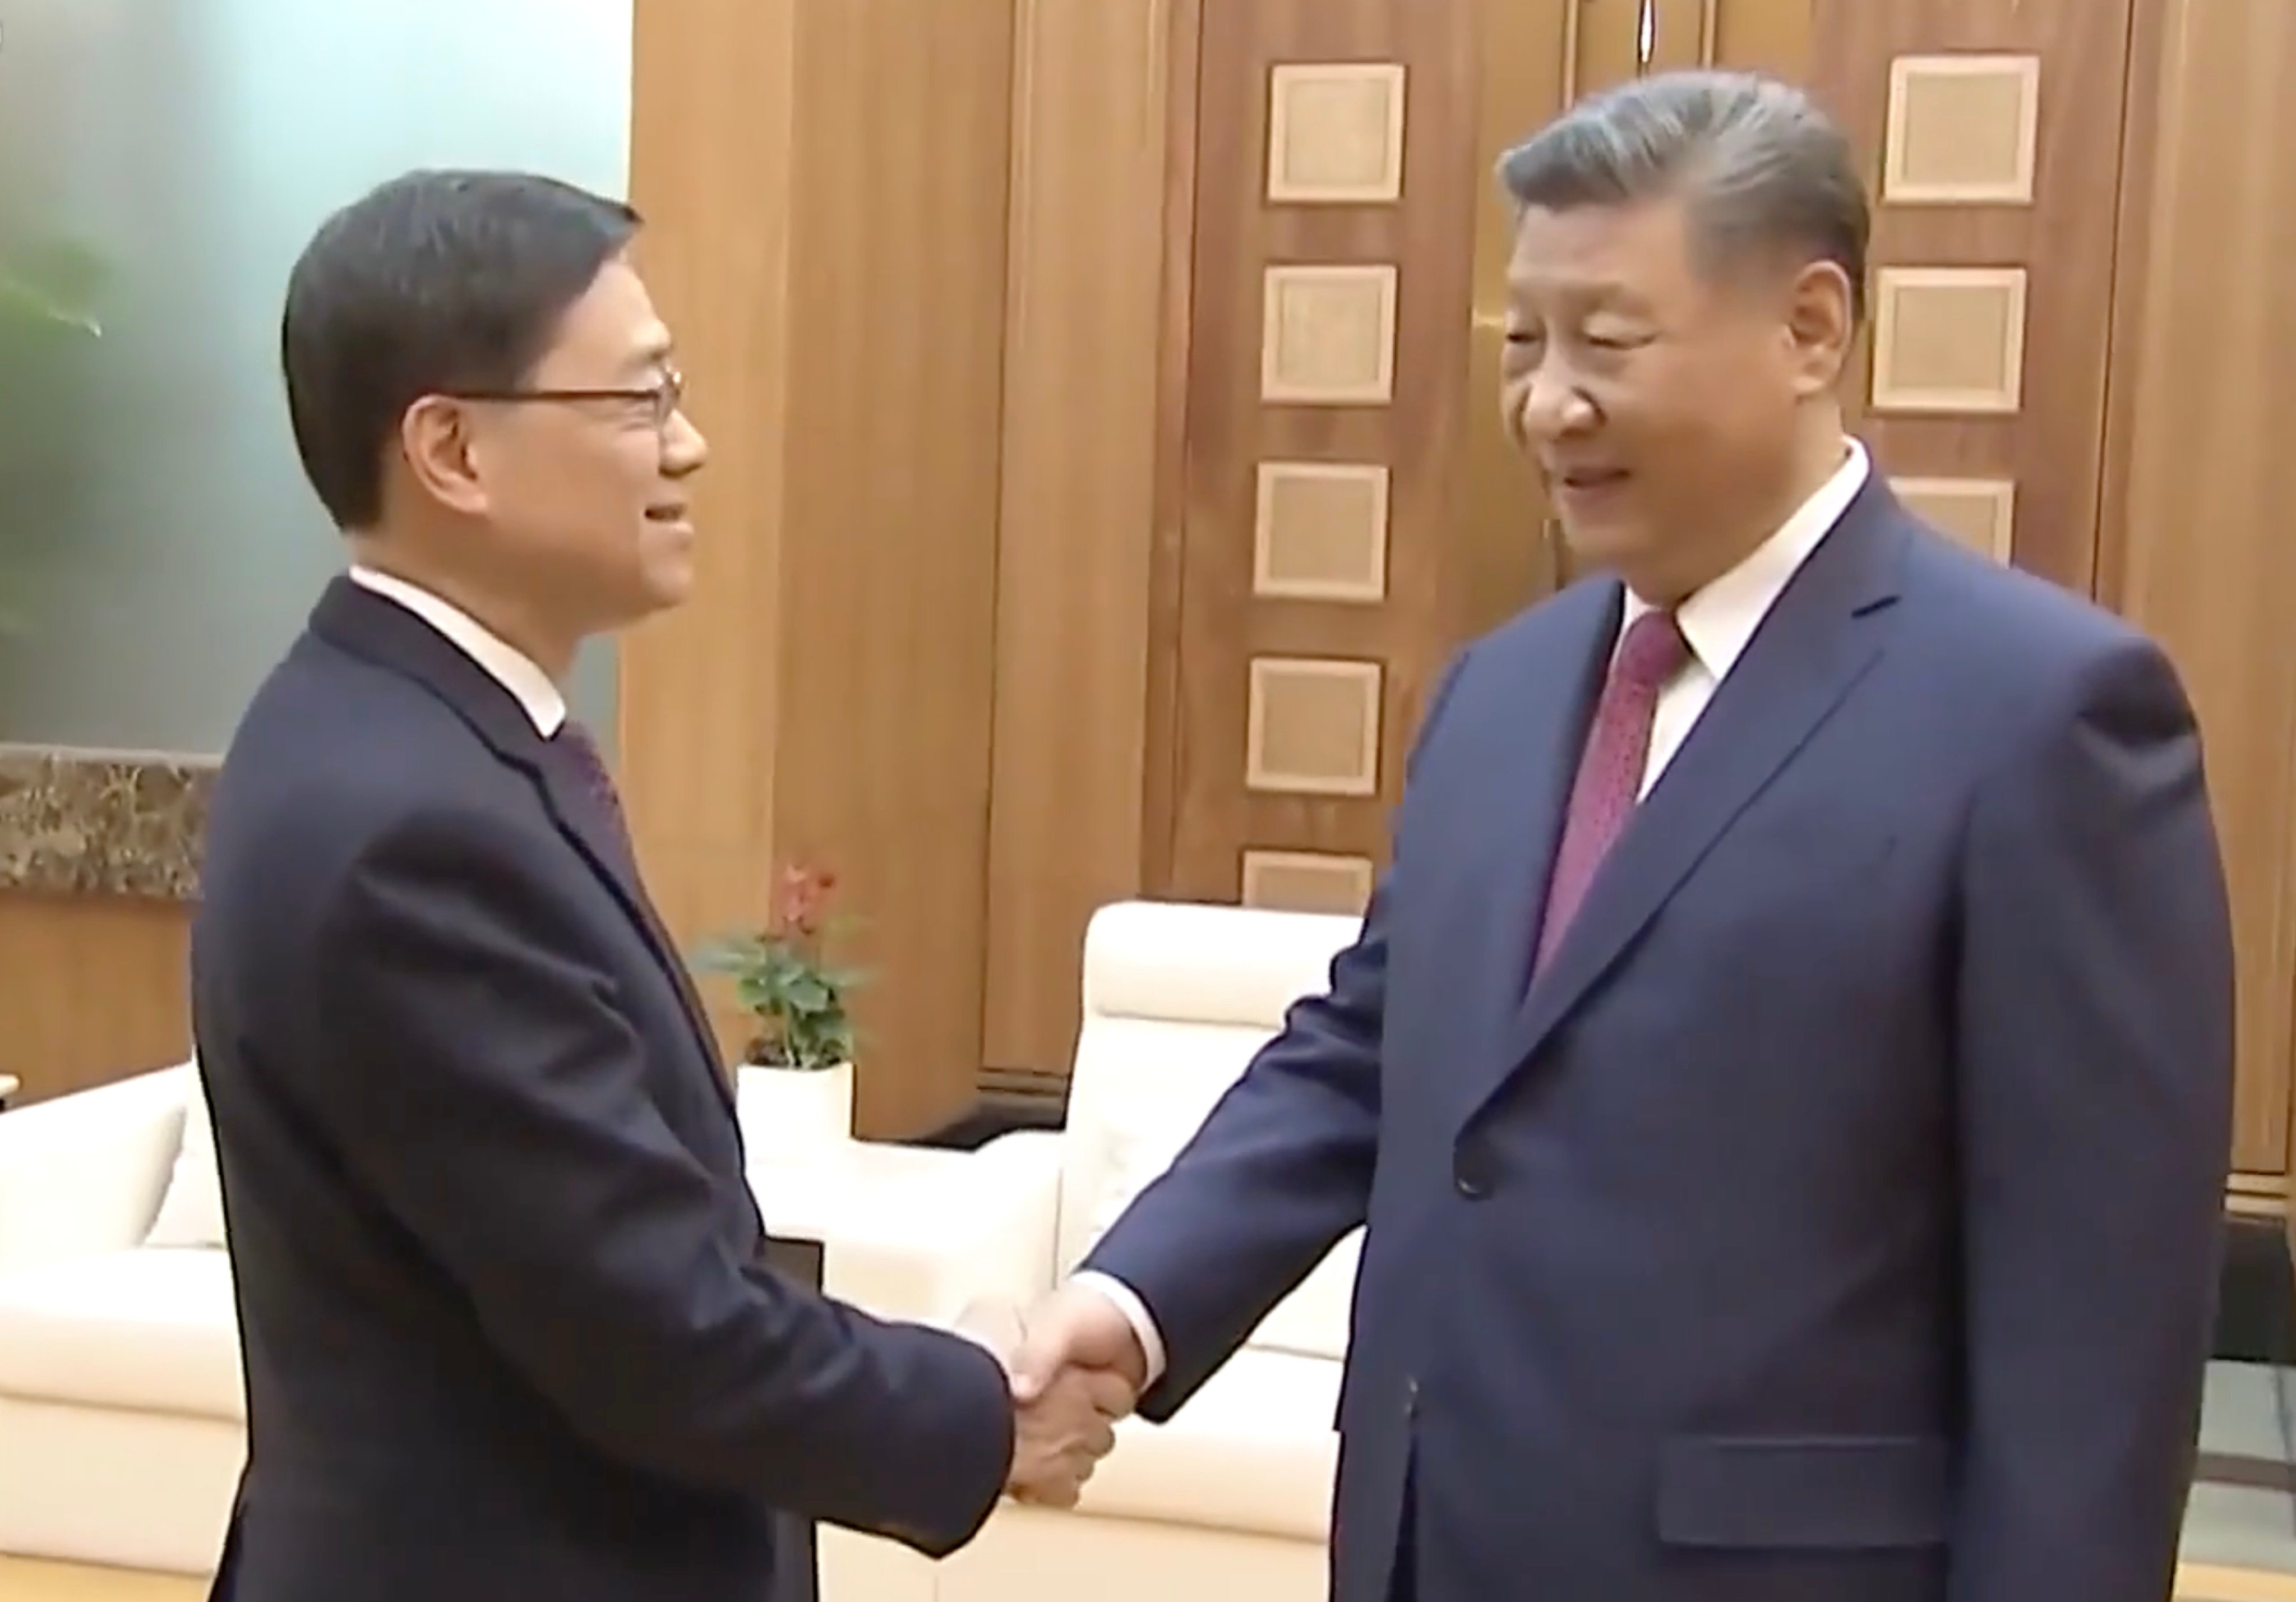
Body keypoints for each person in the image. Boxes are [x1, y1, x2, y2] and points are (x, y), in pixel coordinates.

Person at [1008, 70, 2234, 1602]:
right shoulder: (1503, 691)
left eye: (1609, 341)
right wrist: (1136, 1297)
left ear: (1811, 329)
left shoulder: (2041, 715)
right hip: (1425, 1546)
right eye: (1525, 342)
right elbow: (1373, 1052)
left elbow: (2096, 1318)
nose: (1547, 401)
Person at [190, 170, 1125, 1602]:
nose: (687, 446)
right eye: (635, 402)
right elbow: (647, 1326)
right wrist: (979, 1415)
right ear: (451, 448)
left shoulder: (410, 736)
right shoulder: (404, 821)